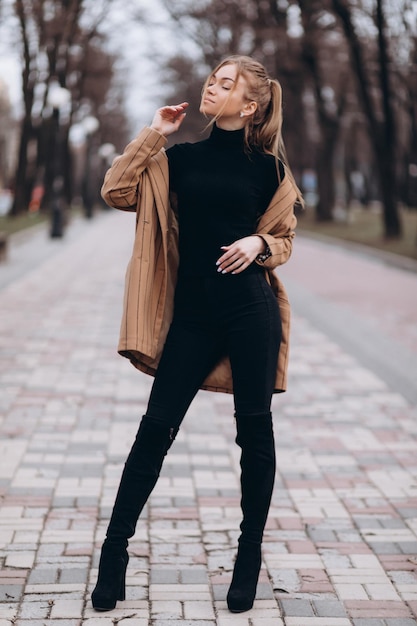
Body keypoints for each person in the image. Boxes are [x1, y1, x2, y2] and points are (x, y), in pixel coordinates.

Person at [91, 55, 302, 614]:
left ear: (250, 105)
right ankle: (114, 553)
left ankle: (248, 558)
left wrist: (260, 246)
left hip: (251, 313)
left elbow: (283, 237)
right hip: (193, 316)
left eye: (226, 83)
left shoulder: (270, 168)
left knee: (254, 437)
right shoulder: (177, 158)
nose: (213, 85)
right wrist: (153, 132)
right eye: (213, 78)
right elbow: (116, 191)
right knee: (154, 431)